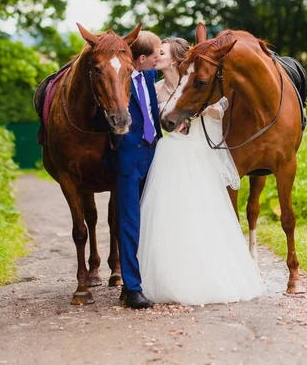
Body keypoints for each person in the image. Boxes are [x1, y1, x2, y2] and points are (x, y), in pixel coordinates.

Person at [137, 37, 265, 305]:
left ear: (174, 59)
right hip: (172, 153)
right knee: (170, 215)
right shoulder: (156, 88)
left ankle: (212, 273)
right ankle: (171, 275)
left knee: (206, 211)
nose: (156, 55)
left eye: (161, 52)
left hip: (199, 151)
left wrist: (205, 110)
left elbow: (222, 107)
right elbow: (154, 120)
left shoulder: (195, 83)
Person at [113, 30, 162, 309]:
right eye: (155, 56)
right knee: (130, 222)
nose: (158, 60)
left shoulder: (150, 75)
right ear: (141, 59)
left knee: (155, 218)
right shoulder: (120, 81)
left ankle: (153, 277)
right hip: (129, 158)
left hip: (154, 153)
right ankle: (132, 288)